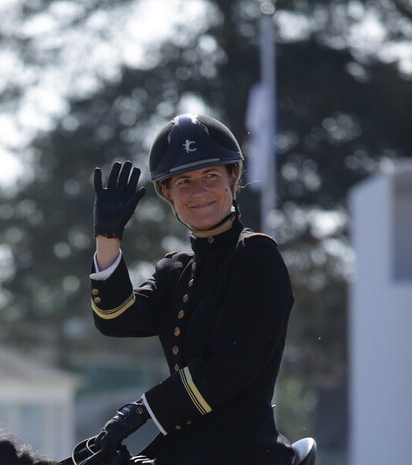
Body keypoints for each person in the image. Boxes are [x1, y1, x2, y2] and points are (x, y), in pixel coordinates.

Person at [88, 113, 295, 464]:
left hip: (245, 454)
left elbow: (228, 368)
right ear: (167, 192)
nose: (198, 191)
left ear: (233, 176)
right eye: (183, 181)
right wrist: (107, 237)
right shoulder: (177, 270)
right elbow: (115, 319)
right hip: (181, 452)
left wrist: (139, 412)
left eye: (210, 175)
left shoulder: (256, 256)